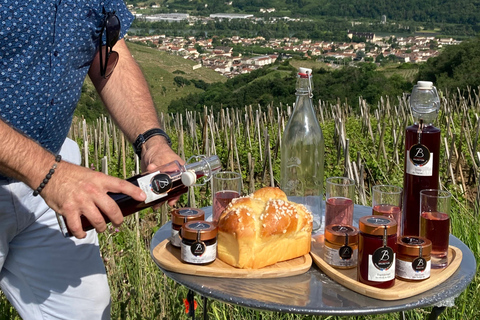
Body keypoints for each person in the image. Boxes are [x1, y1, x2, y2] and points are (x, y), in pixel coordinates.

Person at [0, 1, 182, 318]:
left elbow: (110, 54)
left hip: (51, 181)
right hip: (50, 175)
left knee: (86, 310)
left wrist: (151, 141)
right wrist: (48, 173)